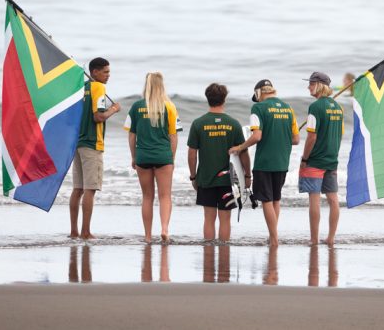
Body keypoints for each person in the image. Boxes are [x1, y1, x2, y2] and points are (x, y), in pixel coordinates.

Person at [229, 79, 299, 246]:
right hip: (282, 161)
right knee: (276, 199)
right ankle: (272, 236)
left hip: (265, 162)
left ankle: (274, 239)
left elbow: (257, 136)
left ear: (259, 93)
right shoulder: (288, 109)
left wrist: (239, 147)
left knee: (267, 200)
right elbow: (295, 139)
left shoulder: (258, 108)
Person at [187, 83, 251, 241]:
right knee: (225, 219)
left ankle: (208, 250)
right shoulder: (233, 124)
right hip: (227, 181)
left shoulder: (198, 123)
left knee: (208, 219)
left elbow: (192, 153)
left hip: (206, 178)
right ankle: (224, 252)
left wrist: (194, 177)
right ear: (224, 99)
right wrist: (247, 175)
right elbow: (243, 152)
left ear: (208, 98)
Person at [124, 72, 181, 243]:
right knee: (165, 196)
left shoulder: (136, 107)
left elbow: (132, 136)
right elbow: (173, 136)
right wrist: (171, 158)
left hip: (143, 156)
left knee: (147, 197)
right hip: (163, 155)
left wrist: (134, 157)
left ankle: (148, 236)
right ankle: (164, 229)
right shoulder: (169, 106)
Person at [70, 57, 121, 239]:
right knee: (90, 189)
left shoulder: (82, 87)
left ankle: (74, 231)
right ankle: (86, 232)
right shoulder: (98, 88)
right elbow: (98, 117)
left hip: (77, 143)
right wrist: (114, 109)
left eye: (109, 72)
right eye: (105, 72)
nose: (108, 76)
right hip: (92, 143)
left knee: (78, 189)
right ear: (94, 72)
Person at [299, 72, 343, 247]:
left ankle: (314, 239)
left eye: (311, 83)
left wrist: (304, 158)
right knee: (333, 200)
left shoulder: (315, 107)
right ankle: (331, 238)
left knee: (314, 199)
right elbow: (339, 135)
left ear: (319, 85)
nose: (308, 86)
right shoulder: (337, 107)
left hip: (315, 161)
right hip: (332, 160)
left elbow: (311, 137)